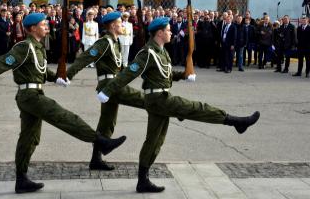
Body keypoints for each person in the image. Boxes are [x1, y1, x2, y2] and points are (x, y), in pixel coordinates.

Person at [0, 13, 126, 194]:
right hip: (29, 96)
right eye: (43, 24)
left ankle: (21, 179)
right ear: (33, 28)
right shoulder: (24, 47)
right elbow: (2, 63)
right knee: (64, 117)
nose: (46, 27)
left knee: (29, 139)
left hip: (34, 93)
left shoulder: (37, 47)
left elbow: (40, 72)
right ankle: (101, 141)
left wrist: (57, 78)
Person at [97, 17, 260, 193]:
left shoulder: (162, 51)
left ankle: (142, 181)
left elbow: (165, 74)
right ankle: (236, 121)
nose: (171, 32)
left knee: (154, 141)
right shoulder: (147, 53)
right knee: (196, 108)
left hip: (160, 99)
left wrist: (183, 75)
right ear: (159, 33)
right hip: (158, 100)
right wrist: (108, 91)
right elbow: (127, 74)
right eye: (168, 30)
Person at [59, 12, 145, 171]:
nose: (122, 25)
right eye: (120, 23)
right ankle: (171, 107)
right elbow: (85, 57)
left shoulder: (114, 41)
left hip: (113, 83)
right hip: (110, 85)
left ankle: (95, 160)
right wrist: (68, 75)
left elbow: (119, 66)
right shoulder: (105, 42)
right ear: (112, 25)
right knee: (145, 99)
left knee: (107, 123)